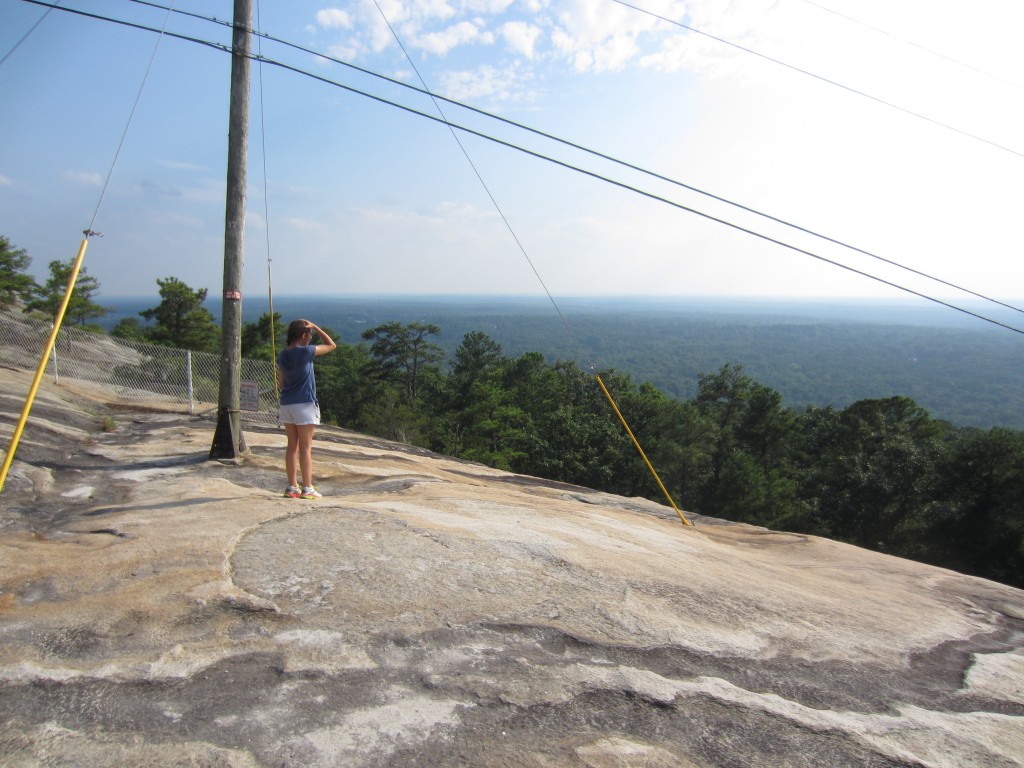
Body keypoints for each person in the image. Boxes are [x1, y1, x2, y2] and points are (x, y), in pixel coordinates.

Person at [278, 319, 336, 499]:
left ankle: (291, 487)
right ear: (304, 336)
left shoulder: (283, 355)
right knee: (306, 448)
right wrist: (317, 326)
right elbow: (331, 345)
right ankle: (307, 488)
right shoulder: (305, 352)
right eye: (309, 335)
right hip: (304, 403)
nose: (311, 338)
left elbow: (281, 382)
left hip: (286, 404)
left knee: (292, 447)